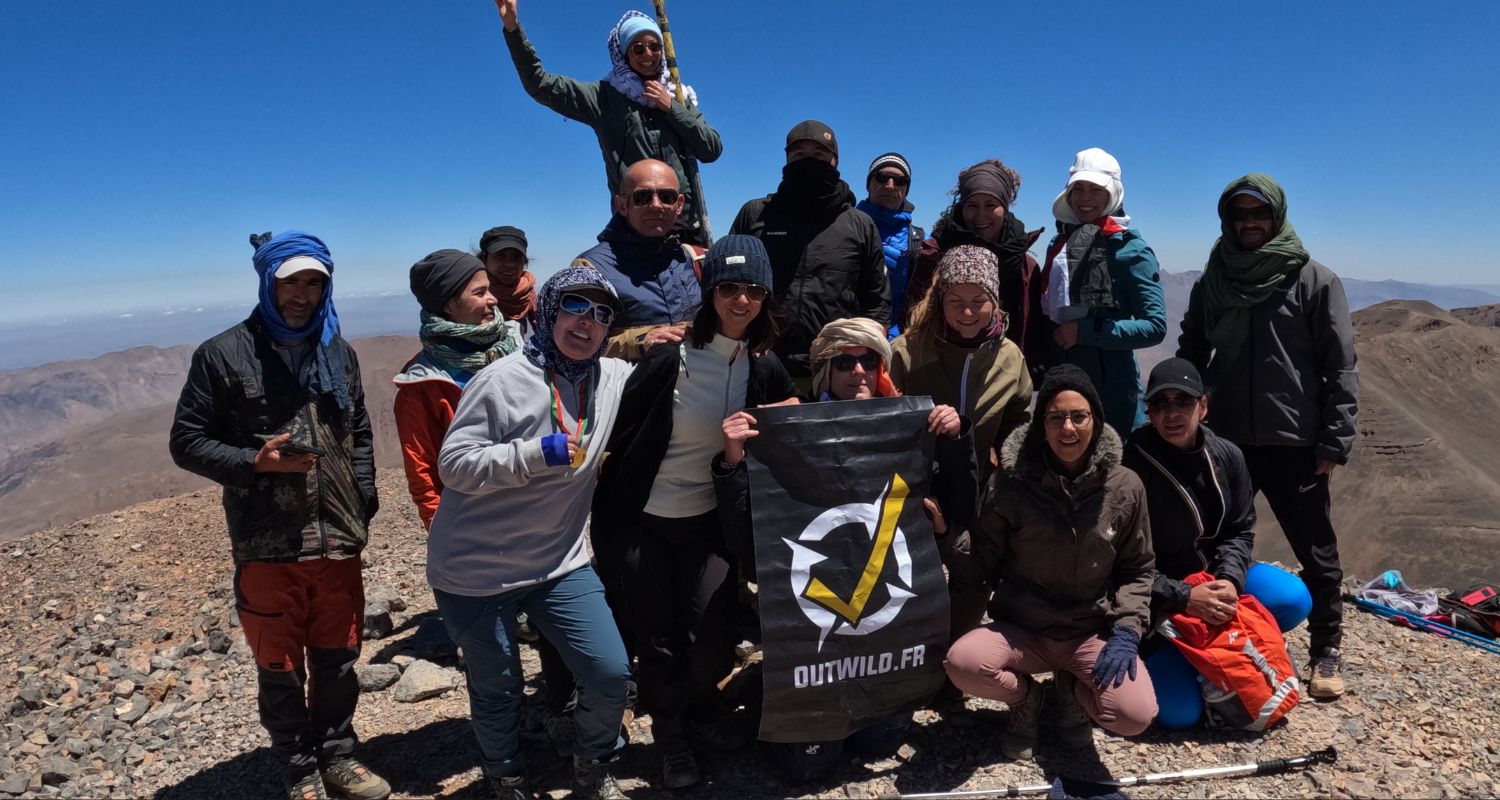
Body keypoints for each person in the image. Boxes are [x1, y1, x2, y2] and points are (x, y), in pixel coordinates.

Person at [168, 231, 388, 800]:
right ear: (269, 282)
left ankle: (338, 755)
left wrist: (363, 495)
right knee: (281, 664)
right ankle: (298, 766)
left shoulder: (338, 352)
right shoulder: (222, 354)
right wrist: (254, 462)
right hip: (267, 542)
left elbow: (358, 431)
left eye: (315, 282)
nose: (304, 294)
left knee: (339, 659)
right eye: (292, 281)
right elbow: (187, 441)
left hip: (338, 538)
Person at [715, 317, 976, 782]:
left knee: (881, 740)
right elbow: (745, 541)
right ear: (824, 372)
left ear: (881, 368)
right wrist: (734, 463)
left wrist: (956, 439)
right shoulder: (789, 434)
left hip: (883, 631)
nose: (858, 371)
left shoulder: (909, 428)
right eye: (845, 361)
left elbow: (959, 508)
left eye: (869, 360)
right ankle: (761, 688)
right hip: (815, 639)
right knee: (808, 766)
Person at [592, 235, 796, 789]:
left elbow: (787, 427)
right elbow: (618, 431)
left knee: (711, 637)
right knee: (657, 638)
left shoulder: (763, 366)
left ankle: (699, 703)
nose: (741, 300)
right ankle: (673, 738)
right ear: (709, 292)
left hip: (711, 524)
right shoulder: (668, 359)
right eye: (728, 287)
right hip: (647, 521)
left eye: (753, 290)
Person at [427, 267, 634, 800]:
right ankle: (507, 777)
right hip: (475, 569)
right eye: (576, 306)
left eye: (602, 313)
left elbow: (673, 388)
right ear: (548, 310)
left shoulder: (611, 377)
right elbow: (453, 465)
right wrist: (534, 454)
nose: (588, 322)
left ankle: (591, 766)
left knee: (610, 673)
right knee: (499, 689)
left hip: (557, 561)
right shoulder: (501, 380)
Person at [1176, 173, 1358, 699]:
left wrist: (1334, 439)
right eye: (1240, 215)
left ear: (1276, 217)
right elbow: (1192, 347)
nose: (1249, 223)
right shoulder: (1215, 278)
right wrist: (1182, 408)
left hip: (1296, 440)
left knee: (1316, 549)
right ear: (1228, 221)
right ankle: (1203, 638)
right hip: (1226, 439)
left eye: (1259, 214)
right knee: (1208, 539)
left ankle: (1326, 649)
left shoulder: (1313, 279)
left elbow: (1340, 365)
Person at [946, 365, 1157, 761]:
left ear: (1095, 419)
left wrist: (1128, 630)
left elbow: (1138, 568)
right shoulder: (1010, 484)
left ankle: (1073, 694)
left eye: (1079, 416)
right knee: (963, 663)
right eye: (1056, 417)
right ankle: (1027, 702)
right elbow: (982, 564)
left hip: (1088, 631)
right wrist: (946, 536)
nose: (1068, 429)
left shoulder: (1125, 486)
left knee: (1134, 715)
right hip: (1025, 629)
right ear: (1041, 426)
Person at [1122, 358, 1313, 729]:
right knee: (1179, 713)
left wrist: (1228, 581)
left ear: (1204, 407)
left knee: (1293, 598)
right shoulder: (1132, 464)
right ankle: (1197, 654)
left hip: (1212, 577)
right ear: (1149, 411)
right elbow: (1120, 561)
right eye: (1161, 404)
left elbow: (1239, 530)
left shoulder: (1227, 456)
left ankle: (1223, 649)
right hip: (1156, 598)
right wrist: (1184, 598)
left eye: (1184, 402)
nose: (1172, 413)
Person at [891, 244, 1033, 640]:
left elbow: (1019, 424)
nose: (967, 312)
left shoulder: (1009, 358)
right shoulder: (907, 352)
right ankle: (905, 653)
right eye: (956, 301)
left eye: (978, 301)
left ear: (995, 302)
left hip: (977, 488)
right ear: (940, 300)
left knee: (974, 570)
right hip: (913, 488)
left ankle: (954, 654)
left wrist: (1011, 479)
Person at [494, 0, 722, 245]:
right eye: (638, 48)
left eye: (655, 47)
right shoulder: (604, 97)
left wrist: (672, 109)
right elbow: (539, 84)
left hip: (686, 230)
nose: (648, 54)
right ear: (623, 54)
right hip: (635, 230)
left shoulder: (679, 97)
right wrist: (513, 28)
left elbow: (711, 149)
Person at [730, 120, 890, 386]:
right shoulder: (755, 214)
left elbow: (877, 302)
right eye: (799, 155)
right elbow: (727, 284)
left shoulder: (860, 224)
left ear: (834, 161)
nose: (808, 163)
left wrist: (862, 359)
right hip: (760, 362)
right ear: (787, 159)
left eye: (818, 155)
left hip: (836, 369)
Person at [394, 249, 523, 530]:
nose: (493, 299)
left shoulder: (520, 349)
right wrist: (443, 534)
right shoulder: (422, 384)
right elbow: (424, 473)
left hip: (534, 508)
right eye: (479, 293)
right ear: (449, 304)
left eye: (489, 289)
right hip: (476, 521)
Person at [1042, 148, 1167, 435]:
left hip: (1111, 394)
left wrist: (1085, 332)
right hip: (1064, 383)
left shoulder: (1131, 251)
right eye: (1078, 189)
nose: (1085, 198)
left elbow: (1155, 327)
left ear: (1113, 194)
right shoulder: (1060, 244)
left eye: (1095, 190)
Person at [906, 158, 1048, 374]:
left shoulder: (1025, 265)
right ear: (961, 206)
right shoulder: (934, 255)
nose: (981, 215)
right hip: (940, 371)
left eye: (991, 205)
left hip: (1003, 375)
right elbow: (912, 316)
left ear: (1005, 207)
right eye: (972, 205)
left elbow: (1034, 327)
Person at [572, 159, 703, 361]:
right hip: (628, 389)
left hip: (692, 388)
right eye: (643, 197)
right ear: (622, 204)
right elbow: (574, 343)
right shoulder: (591, 268)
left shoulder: (693, 259)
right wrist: (640, 341)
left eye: (667, 197)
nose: (656, 205)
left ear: (679, 205)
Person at [855, 152, 924, 336]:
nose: (890, 185)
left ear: (906, 189)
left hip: (898, 341)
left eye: (900, 181)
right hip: (848, 338)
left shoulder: (919, 240)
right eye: (882, 177)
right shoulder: (845, 227)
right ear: (869, 184)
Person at [478, 225, 539, 336]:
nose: (510, 264)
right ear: (484, 258)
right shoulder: (472, 291)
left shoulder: (526, 290)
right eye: (500, 256)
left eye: (517, 257)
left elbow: (542, 329)